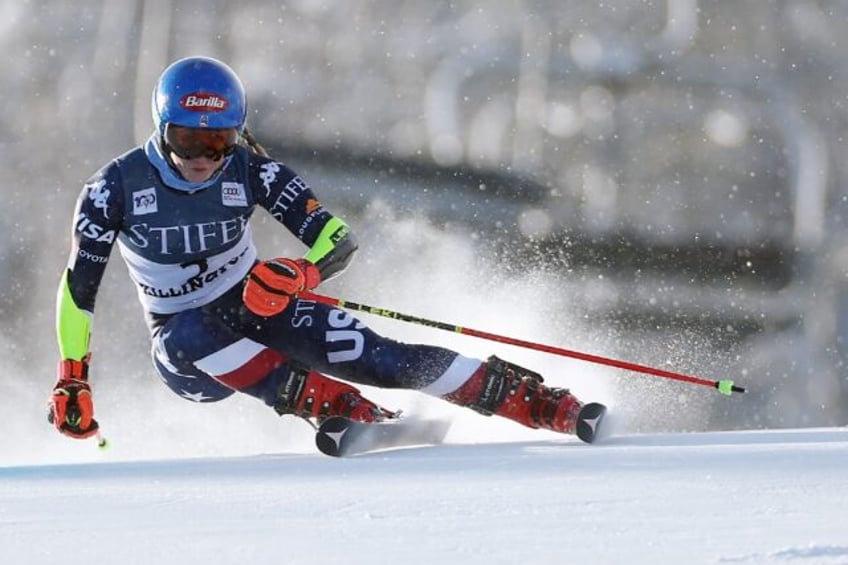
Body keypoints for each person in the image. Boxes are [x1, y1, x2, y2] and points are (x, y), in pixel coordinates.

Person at [49, 56, 605, 449]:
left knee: (380, 356)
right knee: (188, 333)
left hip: (258, 303)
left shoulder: (253, 169)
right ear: (160, 128)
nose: (202, 156)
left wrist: (302, 273)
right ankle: (338, 405)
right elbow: (79, 288)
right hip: (185, 352)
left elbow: (337, 237)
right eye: (186, 139)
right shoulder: (113, 187)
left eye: (217, 140)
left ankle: (529, 399)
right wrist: (73, 375)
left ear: (238, 134)